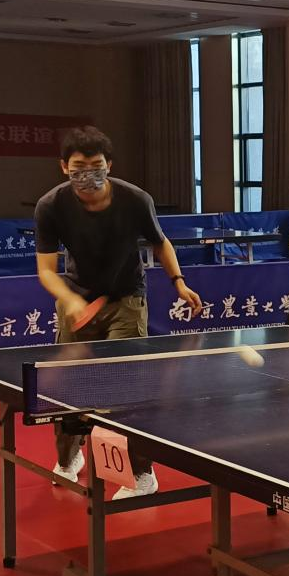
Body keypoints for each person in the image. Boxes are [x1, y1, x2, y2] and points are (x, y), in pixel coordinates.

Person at [35, 126, 203, 497]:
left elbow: (160, 243)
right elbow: (46, 270)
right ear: (64, 167)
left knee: (125, 386)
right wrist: (70, 300)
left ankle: (142, 473)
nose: (88, 174)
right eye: (79, 167)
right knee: (67, 386)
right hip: (76, 298)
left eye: (96, 165)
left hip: (126, 297)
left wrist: (178, 282)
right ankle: (69, 457)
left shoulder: (135, 199)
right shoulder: (51, 205)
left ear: (109, 165)